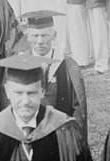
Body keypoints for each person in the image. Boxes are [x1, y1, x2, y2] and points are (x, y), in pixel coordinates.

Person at [17, 9, 87, 138]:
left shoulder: (68, 65)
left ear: (54, 35)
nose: (39, 41)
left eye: (44, 35)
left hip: (62, 135)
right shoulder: (19, 64)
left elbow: (78, 107)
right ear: (27, 37)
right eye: (35, 36)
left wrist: (77, 139)